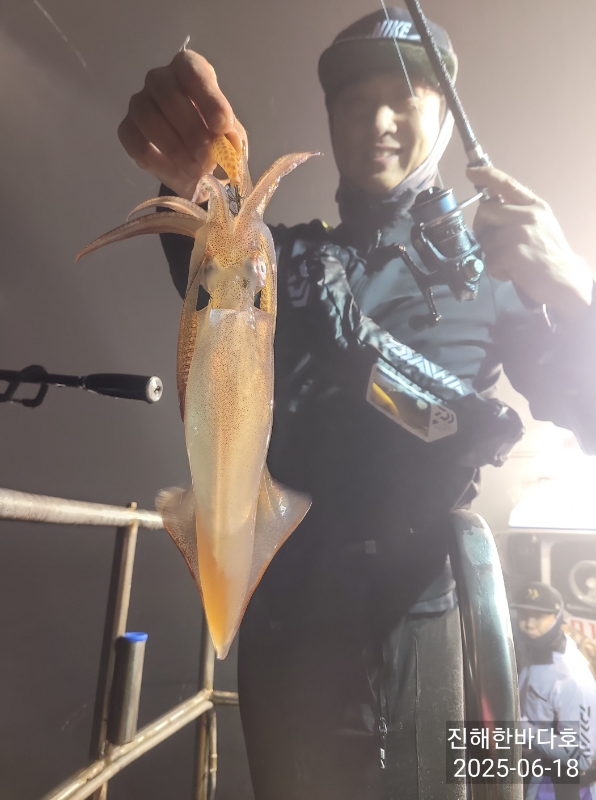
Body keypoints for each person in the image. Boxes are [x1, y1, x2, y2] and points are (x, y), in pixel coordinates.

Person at [118, 7, 596, 799]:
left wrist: (575, 287)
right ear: (332, 124)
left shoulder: (505, 272)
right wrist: (190, 178)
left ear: (444, 120)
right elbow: (211, 261)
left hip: (431, 618)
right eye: (353, 103)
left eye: (404, 100)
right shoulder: (286, 257)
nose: (378, 122)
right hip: (292, 623)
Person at [512, 582, 596, 799]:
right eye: (523, 614)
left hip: (562, 787)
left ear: (557, 616)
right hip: (534, 771)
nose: (529, 624)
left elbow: (581, 755)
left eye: (539, 616)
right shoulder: (532, 645)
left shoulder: (571, 680)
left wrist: (523, 730)